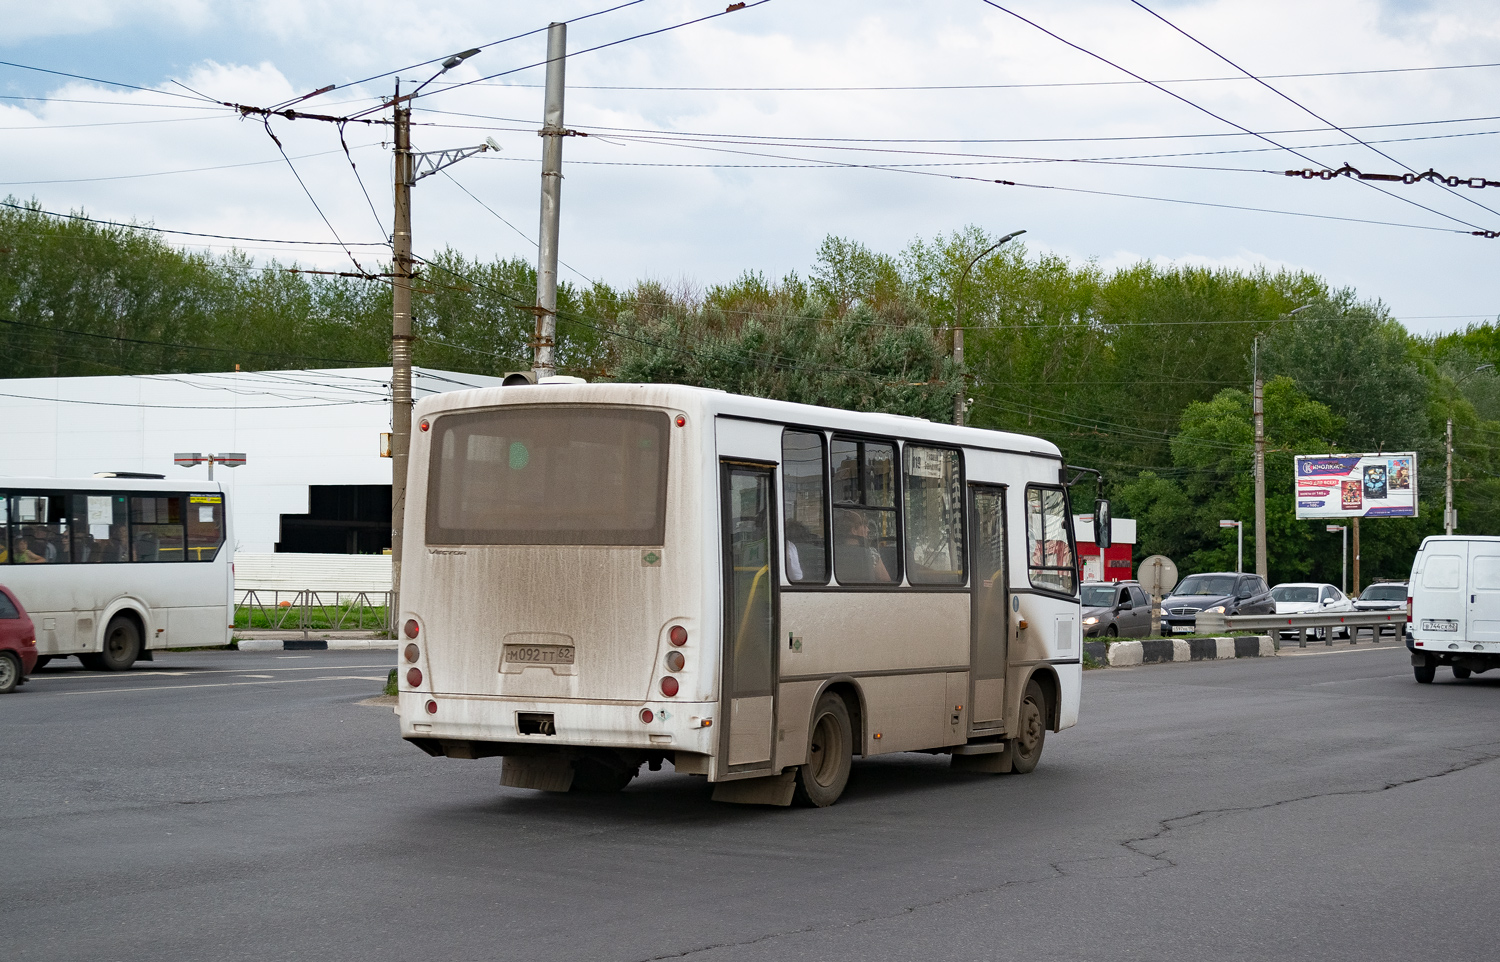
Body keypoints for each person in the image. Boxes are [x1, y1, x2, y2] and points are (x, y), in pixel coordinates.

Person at [835, 509, 893, 584]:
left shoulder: (834, 551)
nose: (868, 530)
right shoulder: (871, 553)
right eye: (864, 526)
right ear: (854, 530)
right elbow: (886, 580)